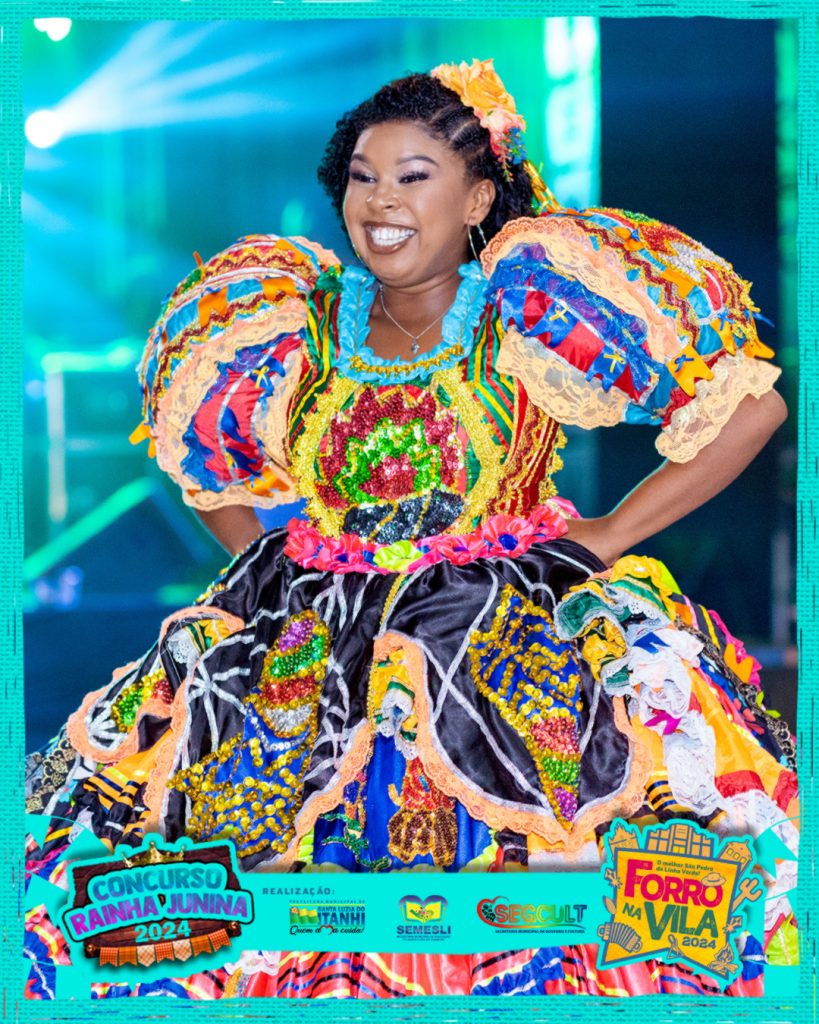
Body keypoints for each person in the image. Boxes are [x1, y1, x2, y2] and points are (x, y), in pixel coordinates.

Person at [24, 59, 797, 1000]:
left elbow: (748, 408)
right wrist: (271, 570)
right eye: (363, 176)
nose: (381, 200)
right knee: (247, 905)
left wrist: (604, 535)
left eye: (412, 175)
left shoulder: (526, 309)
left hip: (505, 646)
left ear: (477, 197)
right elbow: (199, 459)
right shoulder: (292, 321)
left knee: (555, 898)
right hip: (309, 654)